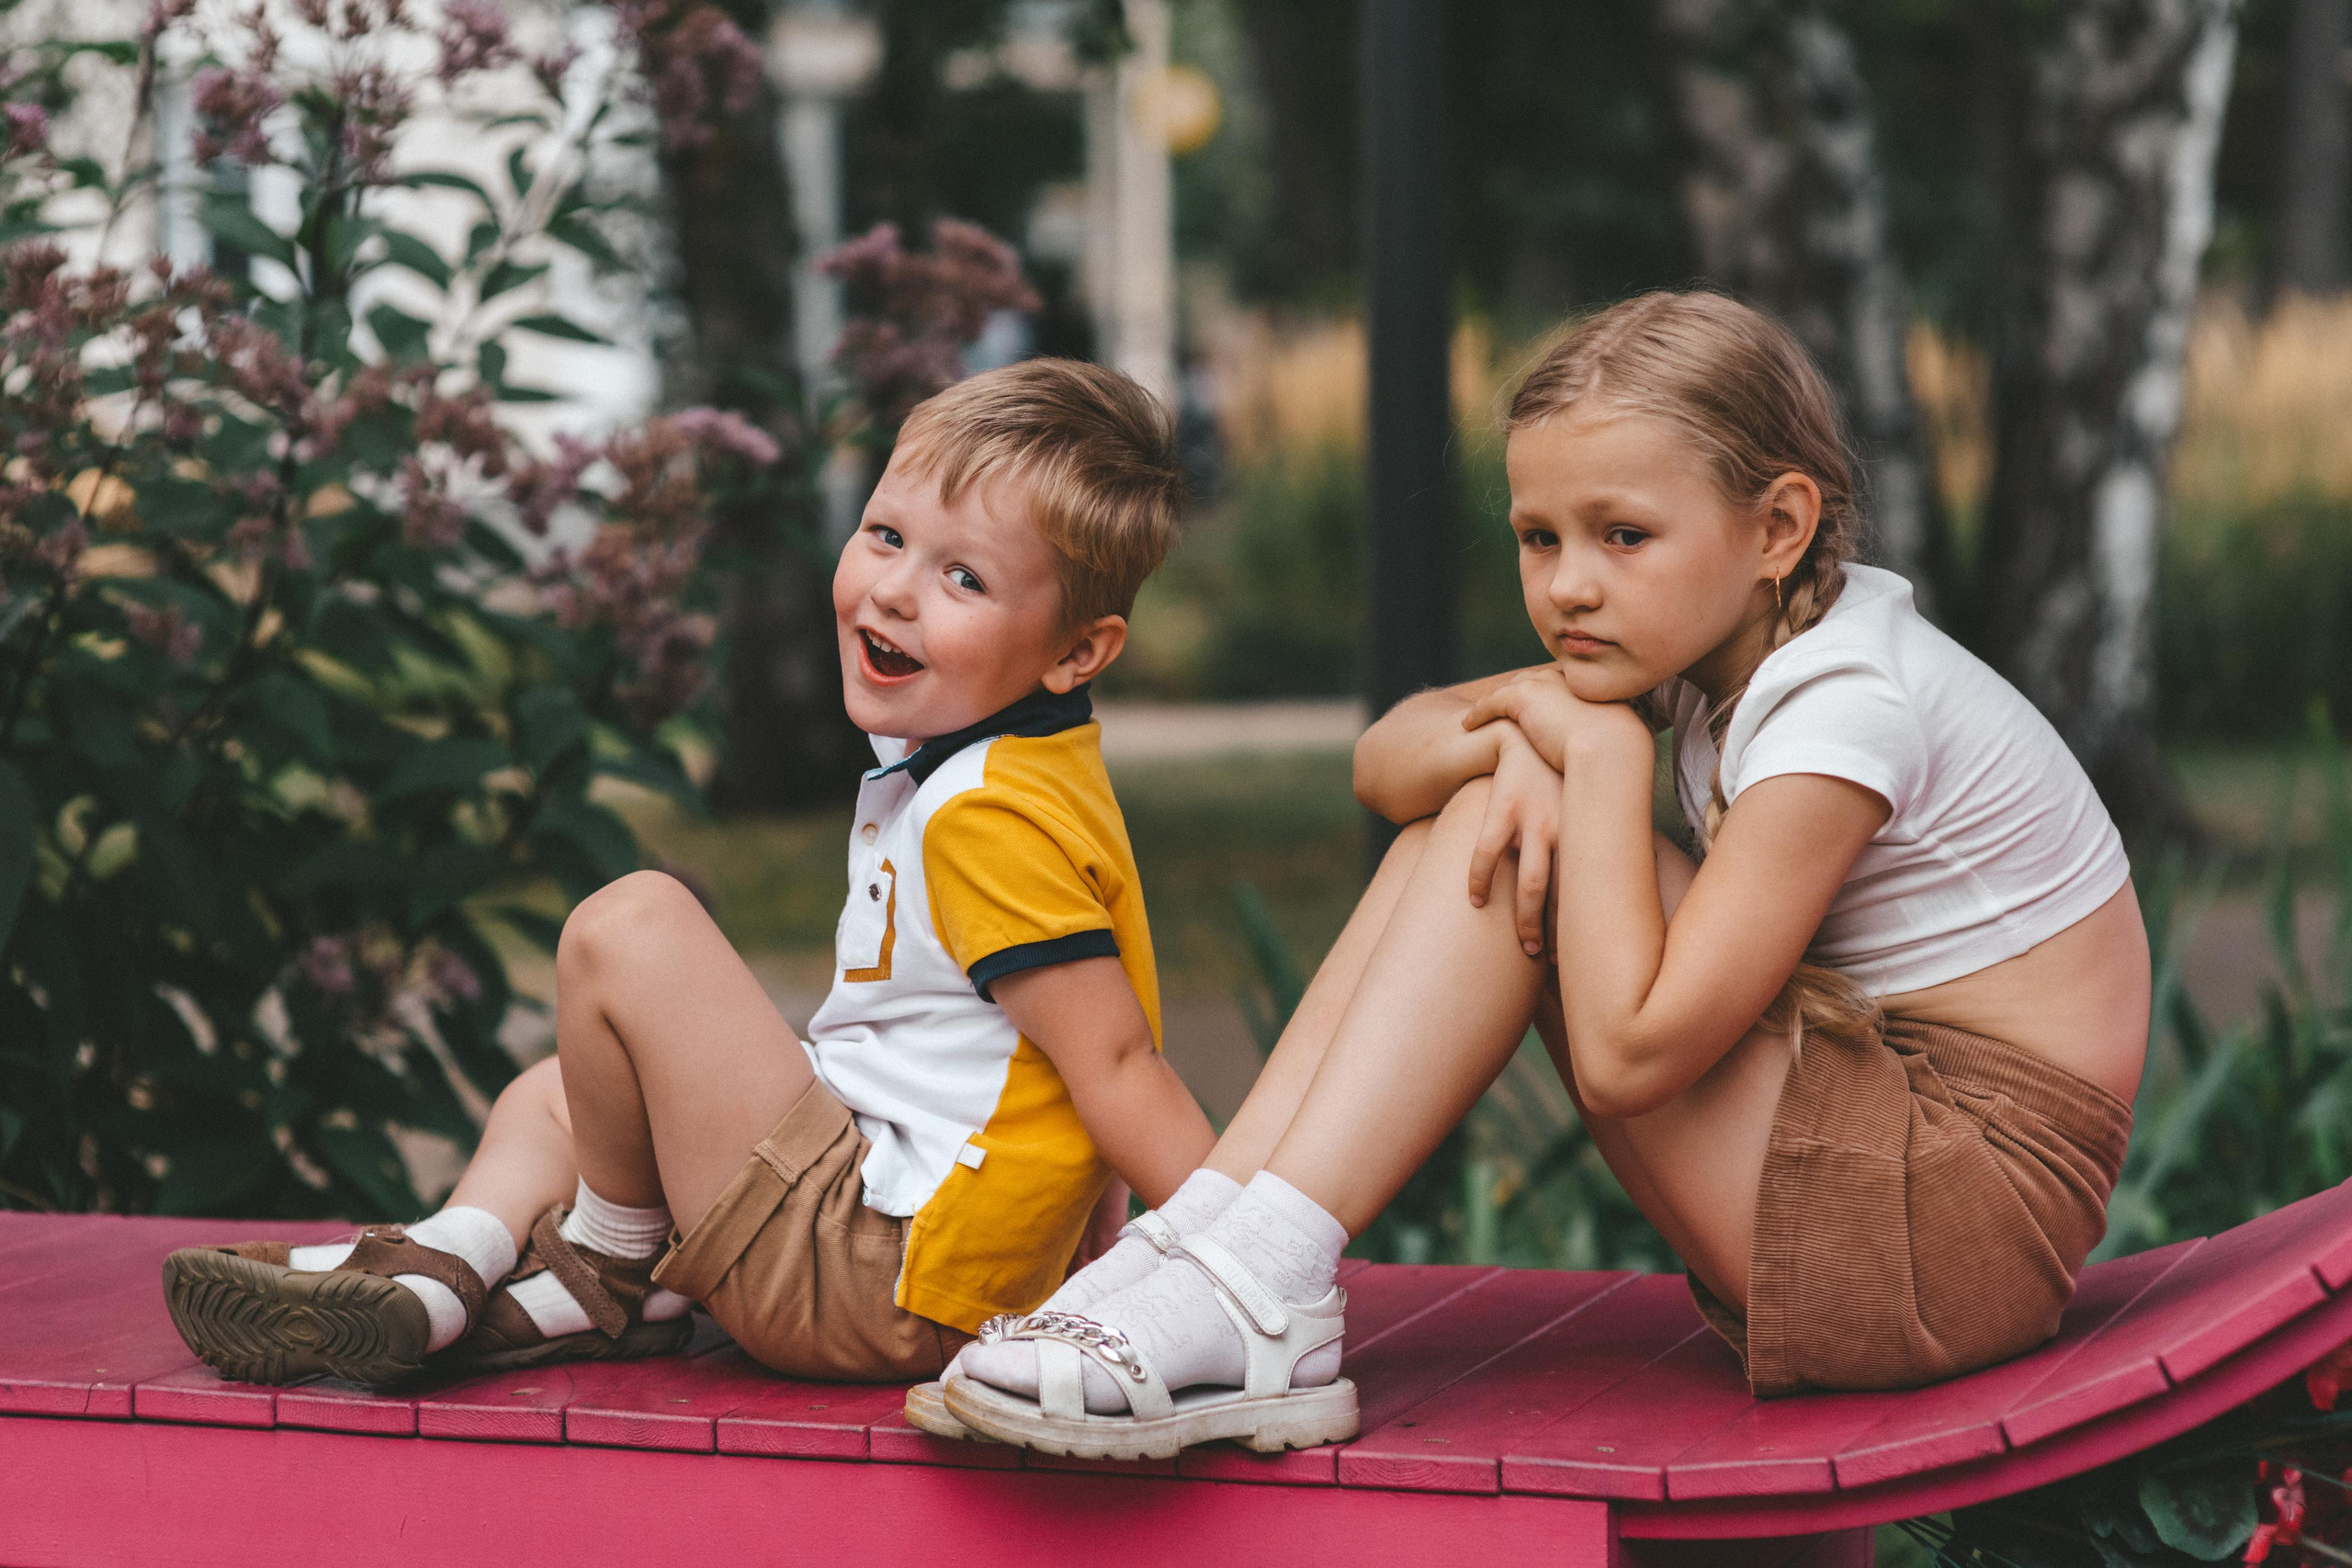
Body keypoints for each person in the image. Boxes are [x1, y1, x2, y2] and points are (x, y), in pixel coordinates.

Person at [941, 292, 2151, 1461]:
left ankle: (1255, 1278)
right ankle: (1212, 1240)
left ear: (1777, 526)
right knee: (1484, 809)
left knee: (1525, 824)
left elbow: (1631, 1056)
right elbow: (1384, 764)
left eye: (1622, 535)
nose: (1570, 582)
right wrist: (1538, 725)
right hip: (1888, 1170)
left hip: (1948, 1230)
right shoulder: (1710, 635)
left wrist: (1599, 756)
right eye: (1539, 537)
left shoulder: (1841, 706)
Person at [160, 358, 1219, 1393]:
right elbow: (1058, 1059)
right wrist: (1086, 1220)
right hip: (890, 1244)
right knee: (568, 1095)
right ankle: (440, 1273)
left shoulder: (987, 816)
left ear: (1077, 653)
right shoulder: (1023, 769)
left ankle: (604, 1273)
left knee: (635, 923)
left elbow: (1116, 1064)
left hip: (878, 1279)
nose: (894, 591)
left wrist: (1235, 1271)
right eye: (886, 535)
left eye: (963, 578)